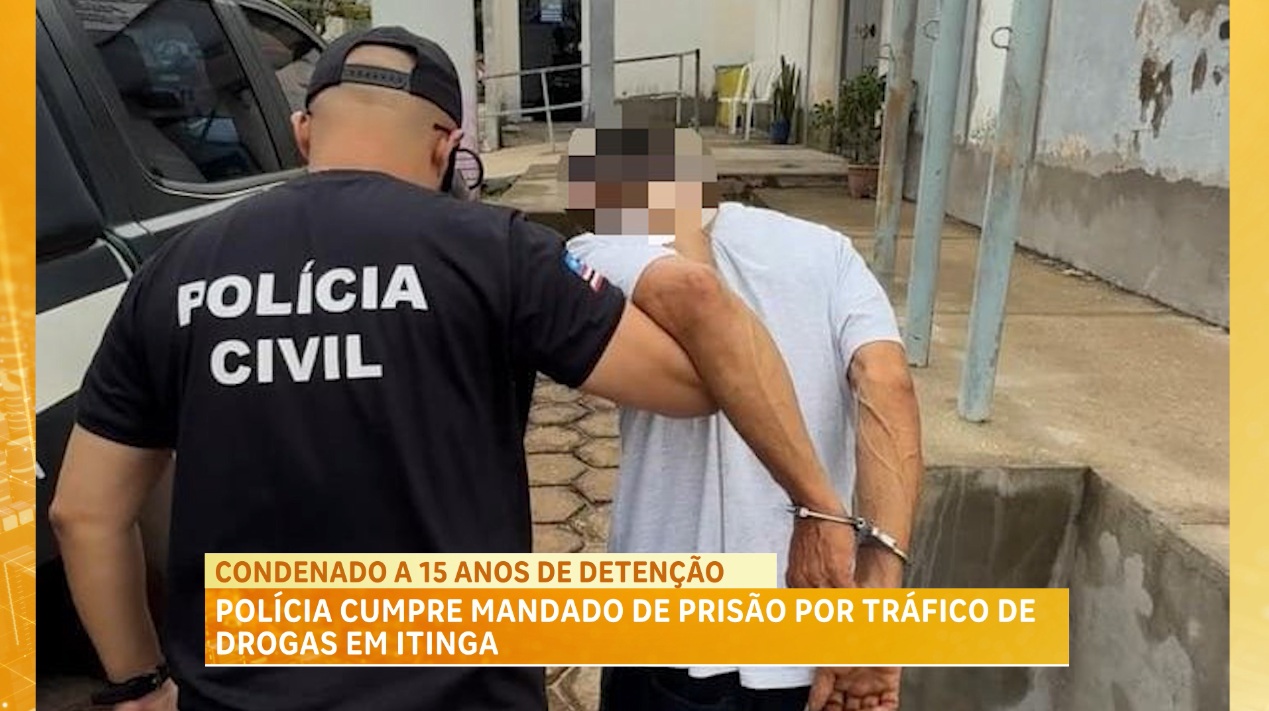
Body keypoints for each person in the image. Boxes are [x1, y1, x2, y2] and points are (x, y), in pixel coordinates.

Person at [49, 29, 858, 711]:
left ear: (302, 132)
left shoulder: (175, 271)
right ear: (444, 145)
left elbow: (83, 514)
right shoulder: (496, 251)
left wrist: (141, 683)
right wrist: (672, 222)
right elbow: (696, 383)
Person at [565, 127, 925, 711]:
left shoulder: (601, 252)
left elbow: (697, 294)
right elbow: (887, 382)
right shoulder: (826, 249)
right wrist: (878, 601)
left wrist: (819, 511)